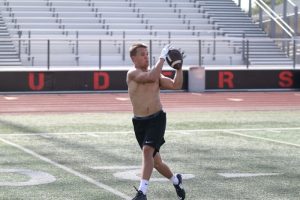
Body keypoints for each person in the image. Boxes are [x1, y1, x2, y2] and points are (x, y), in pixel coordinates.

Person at [126, 43, 186, 200]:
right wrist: (162, 58)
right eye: (142, 54)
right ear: (134, 58)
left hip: (157, 119)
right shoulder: (132, 73)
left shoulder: (156, 75)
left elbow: (176, 85)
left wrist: (179, 69)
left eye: (147, 53)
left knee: (147, 151)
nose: (146, 56)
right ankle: (176, 181)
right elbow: (150, 77)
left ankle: (142, 193)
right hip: (139, 123)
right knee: (156, 162)